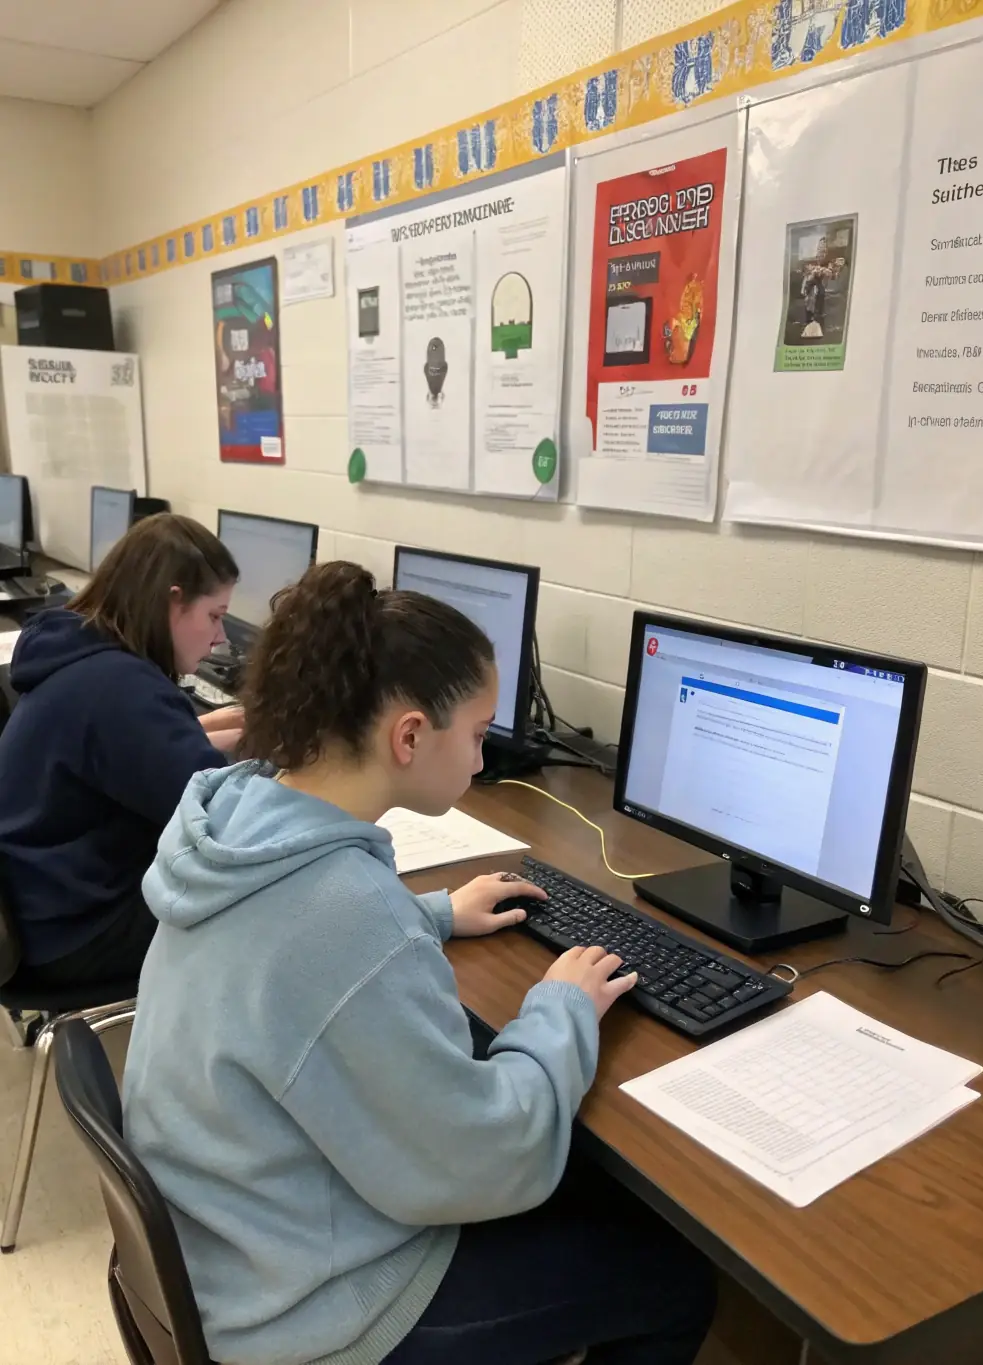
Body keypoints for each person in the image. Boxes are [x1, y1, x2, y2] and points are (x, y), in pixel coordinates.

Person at [122, 560, 717, 1365]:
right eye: (476, 734)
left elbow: (301, 961)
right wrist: (560, 1008)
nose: (481, 761)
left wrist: (430, 913)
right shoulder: (346, 916)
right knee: (676, 1276)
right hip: (313, 1312)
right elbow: (484, 1155)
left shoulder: (239, 814)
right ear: (408, 734)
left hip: (228, 1246)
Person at [0, 513, 243, 987]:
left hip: (36, 903)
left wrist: (201, 732)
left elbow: (125, 753)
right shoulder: (122, 688)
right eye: (214, 616)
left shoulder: (83, 651)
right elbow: (222, 823)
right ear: (173, 602)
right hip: (71, 930)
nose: (221, 638)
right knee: (262, 905)